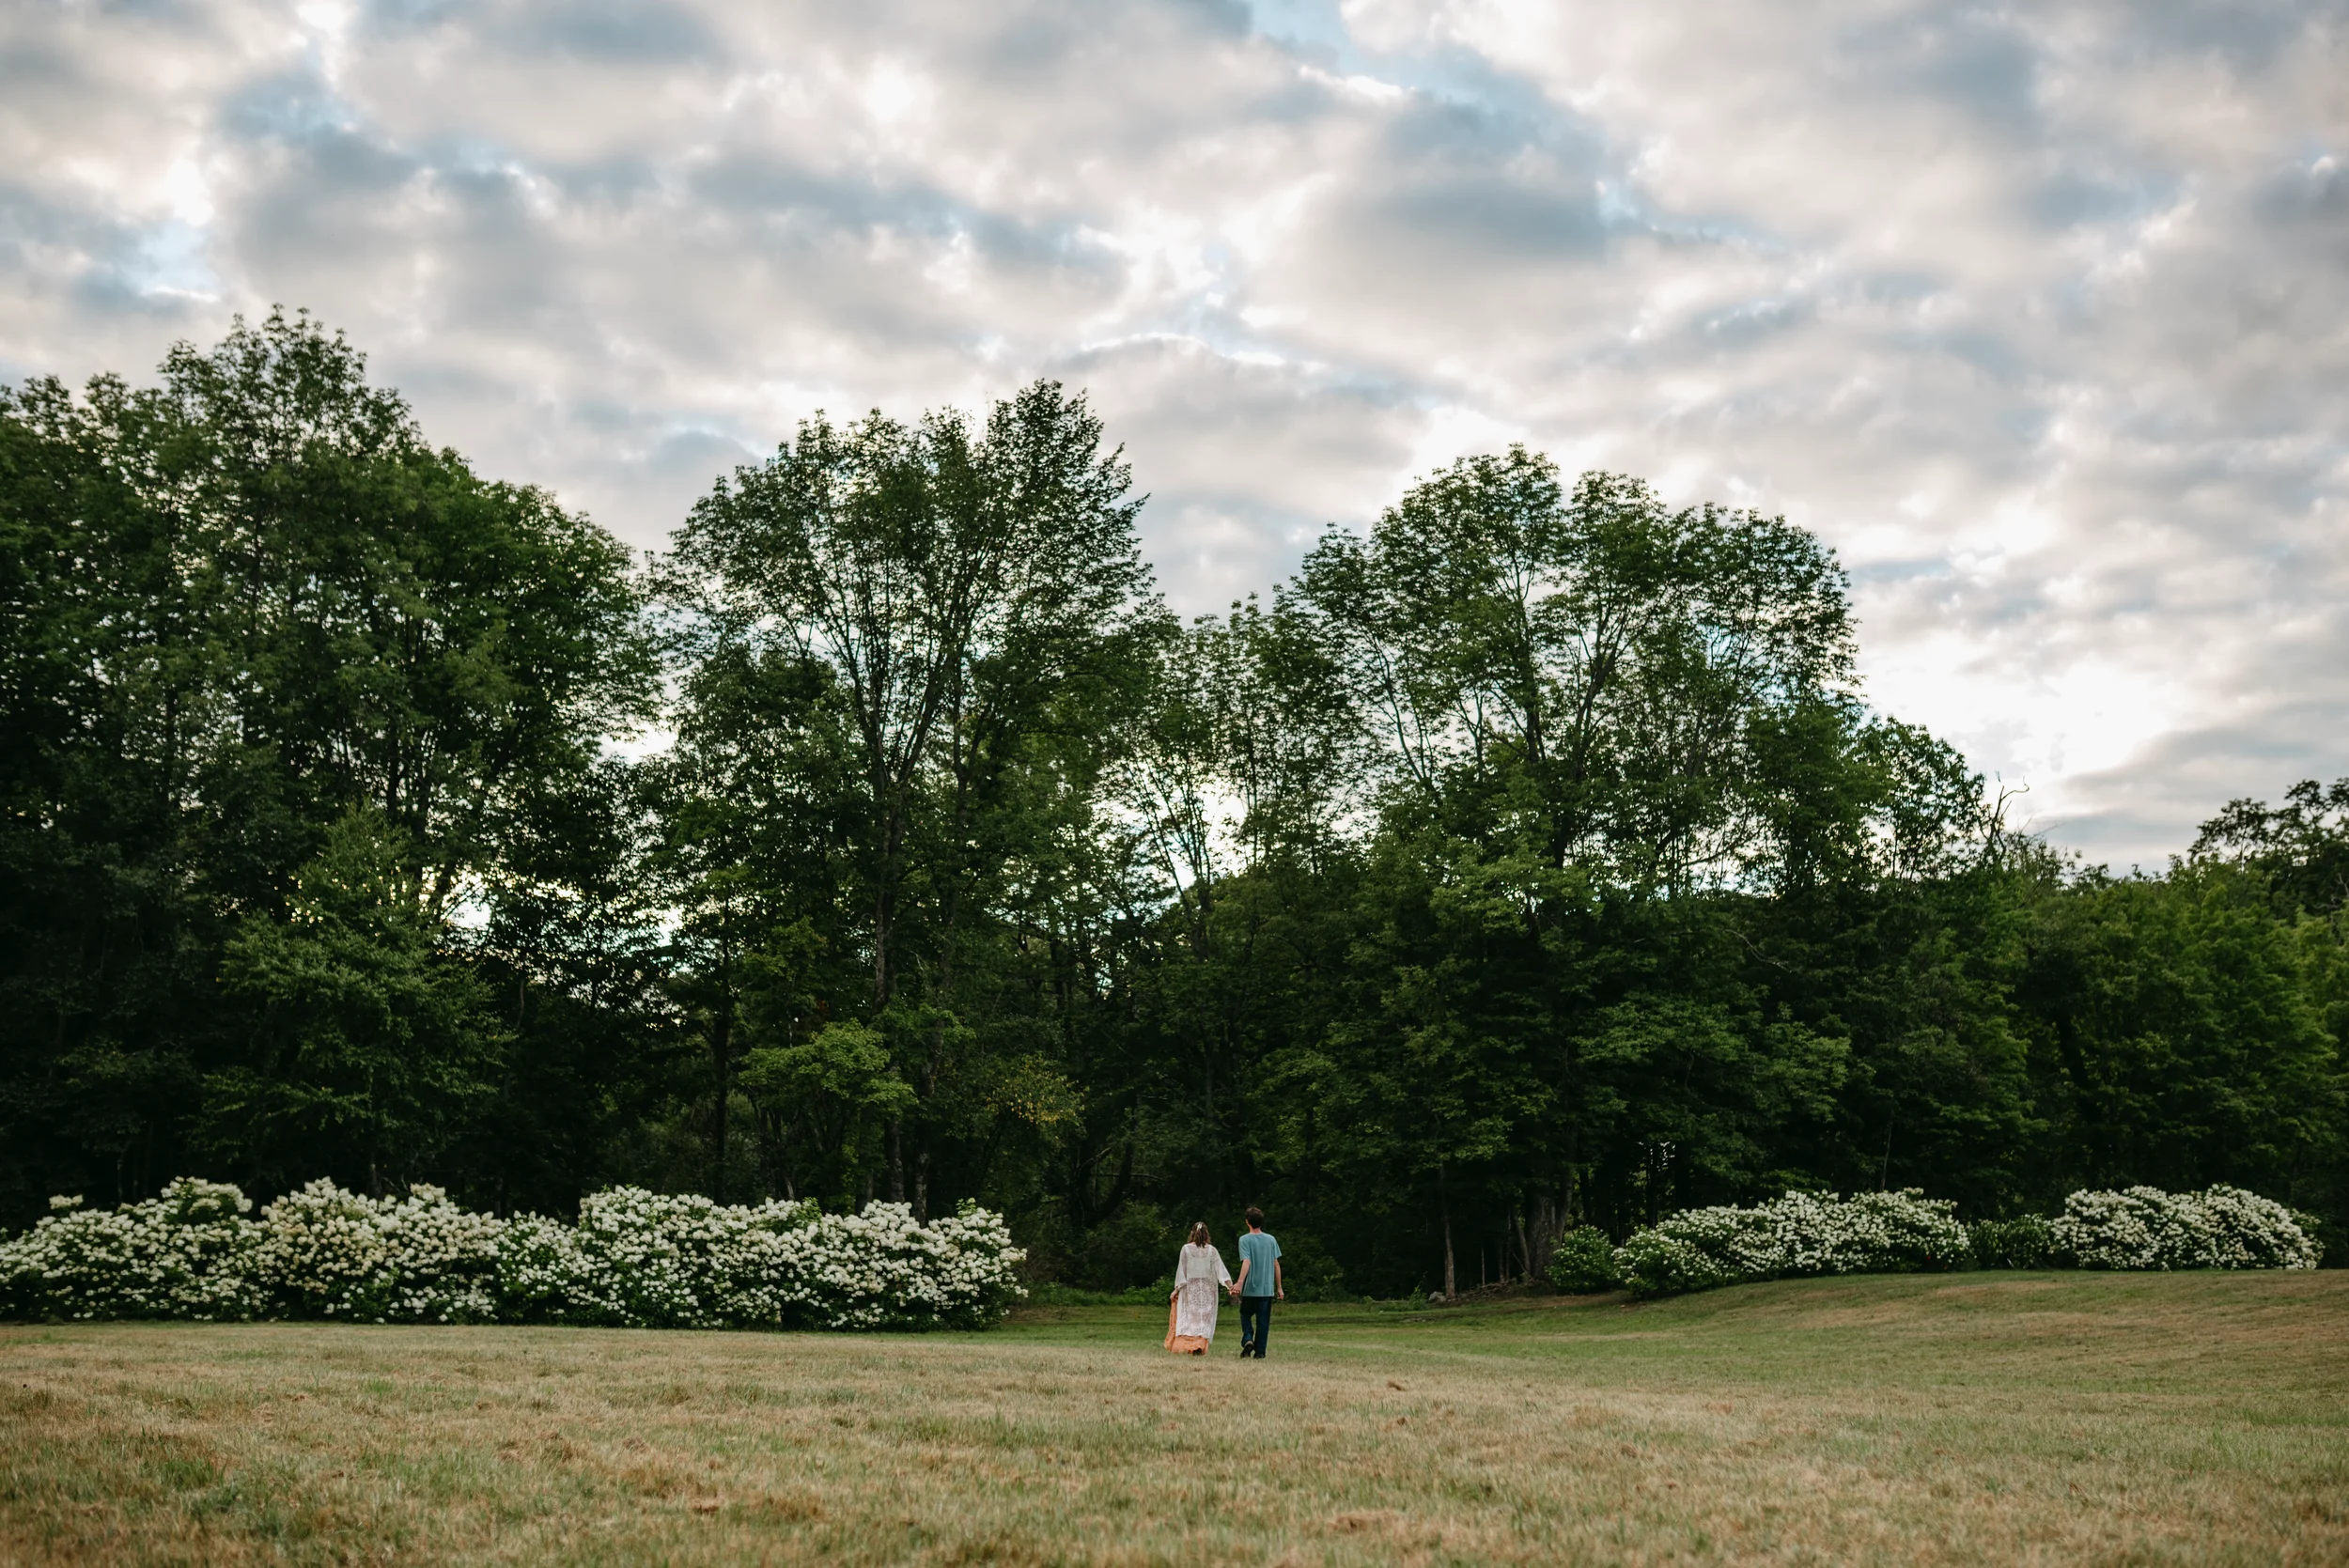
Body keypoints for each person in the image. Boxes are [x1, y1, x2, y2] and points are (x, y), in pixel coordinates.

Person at [1164, 1221, 1233, 1355]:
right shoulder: (1212, 1250)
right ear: (1207, 1234)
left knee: (1191, 1318)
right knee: (1203, 1319)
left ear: (1192, 1233)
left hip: (1190, 1290)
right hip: (1207, 1291)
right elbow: (1221, 1271)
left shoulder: (1186, 1249)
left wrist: (1177, 1289)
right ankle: (1199, 1345)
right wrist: (1230, 1286)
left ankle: (1192, 1345)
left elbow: (1182, 1272)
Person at [1232, 1205, 1283, 1358]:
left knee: (1245, 1314)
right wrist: (1279, 1287)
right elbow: (1276, 1264)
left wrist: (1239, 1283)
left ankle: (1248, 1338)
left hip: (1250, 1288)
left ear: (1247, 1222)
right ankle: (1260, 1353)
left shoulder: (1244, 1240)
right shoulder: (1271, 1239)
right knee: (1263, 1321)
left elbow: (1246, 1261)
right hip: (1266, 1289)